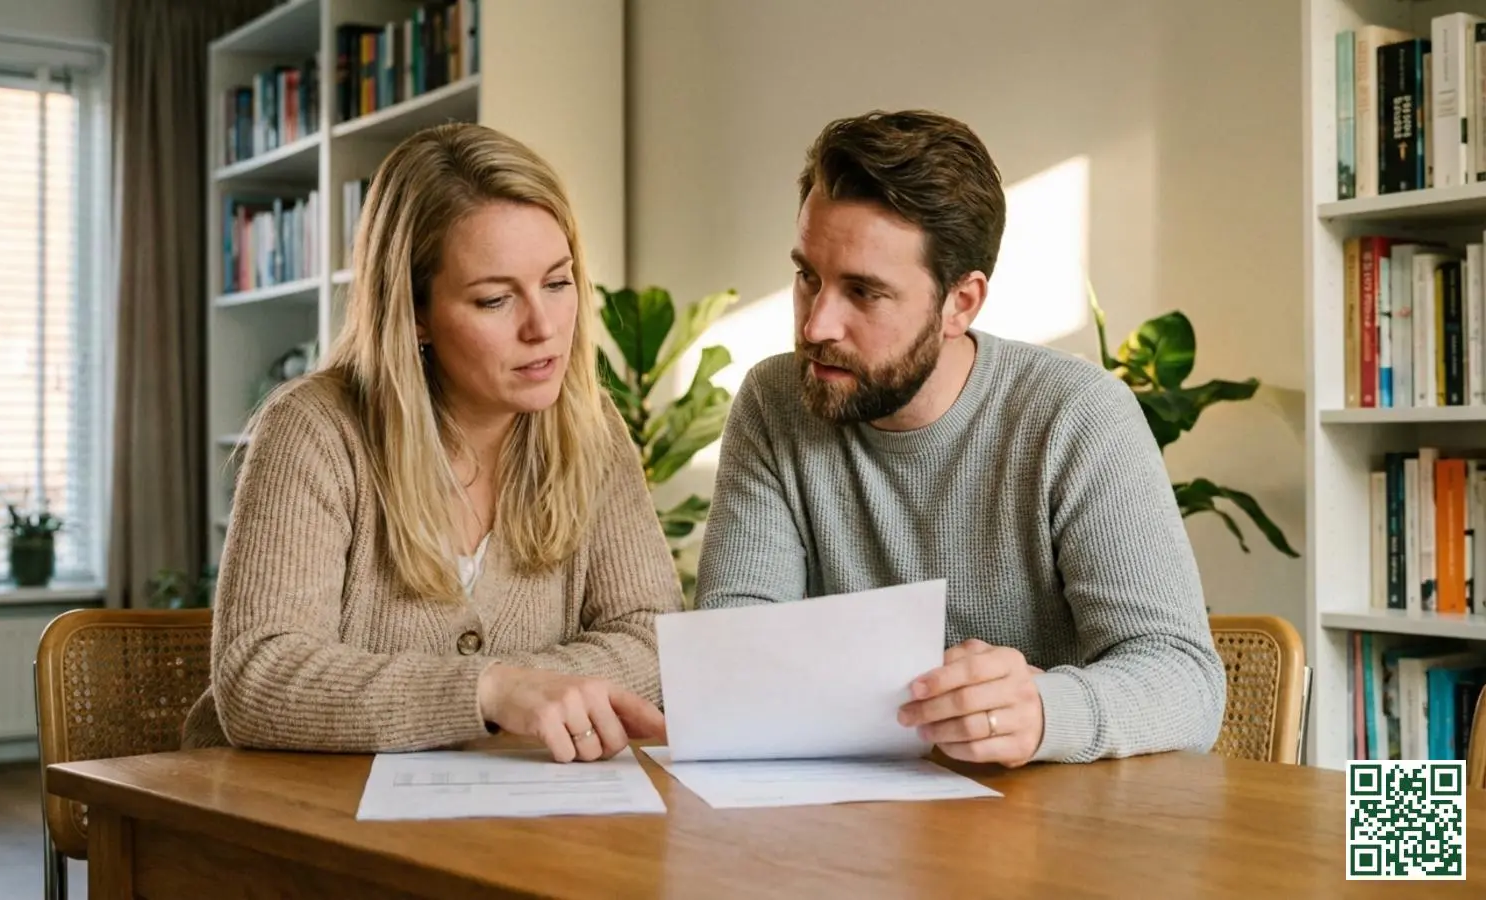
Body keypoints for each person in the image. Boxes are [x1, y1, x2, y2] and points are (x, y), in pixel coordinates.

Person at [693, 109, 1227, 768]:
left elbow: (1185, 680)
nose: (816, 326)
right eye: (808, 277)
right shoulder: (776, 401)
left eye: (864, 292)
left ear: (961, 303)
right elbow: (734, 656)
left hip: (1042, 815)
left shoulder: (1077, 415)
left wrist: (1043, 711)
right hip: (847, 811)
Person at [180, 123, 683, 763]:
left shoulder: (592, 428)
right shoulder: (314, 428)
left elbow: (653, 643)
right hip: (283, 808)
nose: (544, 327)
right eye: (495, 299)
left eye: (558, 284)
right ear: (414, 313)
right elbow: (259, 677)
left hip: (499, 803)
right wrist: (491, 692)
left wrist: (525, 693)